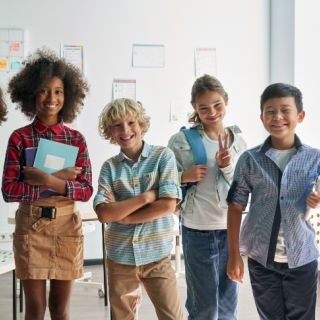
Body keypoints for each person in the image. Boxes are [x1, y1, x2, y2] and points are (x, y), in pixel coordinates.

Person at [1, 48, 93, 320]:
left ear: (68, 96)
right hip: (31, 228)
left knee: (61, 310)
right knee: (35, 310)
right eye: (44, 90)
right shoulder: (20, 139)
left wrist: (46, 179)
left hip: (67, 229)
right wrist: (55, 180)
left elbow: (86, 190)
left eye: (58, 91)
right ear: (31, 94)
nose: (51, 98)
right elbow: (8, 191)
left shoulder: (76, 139)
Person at [227, 83, 320, 320]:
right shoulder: (249, 159)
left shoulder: (314, 158)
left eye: (285, 110)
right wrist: (234, 254)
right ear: (261, 117)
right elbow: (235, 206)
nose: (277, 117)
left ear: (300, 115)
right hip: (261, 259)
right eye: (270, 111)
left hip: (302, 257)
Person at [94, 98, 183, 320]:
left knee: (172, 316)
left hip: (157, 256)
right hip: (119, 257)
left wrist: (123, 216)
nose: (125, 130)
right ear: (110, 132)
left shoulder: (163, 157)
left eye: (131, 122)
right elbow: (105, 214)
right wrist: (147, 196)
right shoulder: (109, 168)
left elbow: (168, 205)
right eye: (117, 125)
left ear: (141, 124)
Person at [168, 74, 247, 320]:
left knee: (227, 307)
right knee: (205, 308)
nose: (212, 112)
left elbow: (242, 187)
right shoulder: (181, 141)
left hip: (229, 230)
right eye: (203, 108)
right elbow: (164, 182)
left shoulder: (238, 142)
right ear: (194, 108)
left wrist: (225, 166)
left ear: (226, 101)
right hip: (196, 229)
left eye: (217, 105)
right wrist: (184, 176)